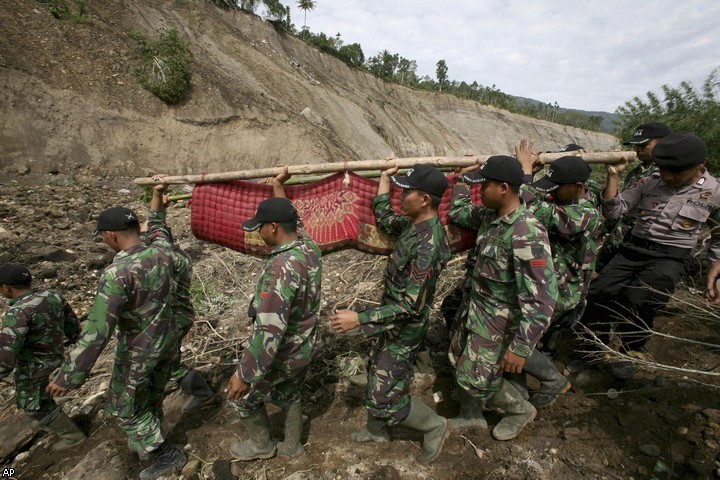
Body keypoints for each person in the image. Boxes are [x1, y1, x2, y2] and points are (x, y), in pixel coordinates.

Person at [46, 181, 186, 480]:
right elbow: (159, 228)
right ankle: (149, 443)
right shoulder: (162, 254)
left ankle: (166, 454)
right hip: (168, 341)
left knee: (123, 408)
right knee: (151, 397)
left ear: (110, 235)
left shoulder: (117, 273)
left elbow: (98, 331)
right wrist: (157, 201)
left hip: (139, 350)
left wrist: (69, 376)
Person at [329, 164, 452, 464]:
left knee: (386, 396)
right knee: (376, 372)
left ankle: (436, 426)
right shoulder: (413, 225)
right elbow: (384, 216)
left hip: (404, 327)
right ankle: (377, 431)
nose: (402, 195)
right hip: (390, 321)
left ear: (424, 199)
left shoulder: (430, 244)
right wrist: (385, 178)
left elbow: (412, 305)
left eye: (407, 191)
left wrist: (359, 318)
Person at [581, 132, 720, 378]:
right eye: (663, 169)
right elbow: (614, 212)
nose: (667, 176)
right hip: (633, 248)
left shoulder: (714, 192)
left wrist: (716, 266)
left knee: (640, 299)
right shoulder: (650, 182)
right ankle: (594, 345)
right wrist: (613, 176)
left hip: (671, 255)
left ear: (700, 166)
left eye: (674, 172)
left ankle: (632, 350)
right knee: (600, 292)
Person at [448, 155, 557, 440]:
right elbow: (458, 213)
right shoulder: (489, 216)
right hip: (475, 310)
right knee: (459, 359)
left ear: (504, 188)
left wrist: (520, 348)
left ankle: (520, 410)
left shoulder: (526, 232)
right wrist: (460, 180)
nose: (480, 191)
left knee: (476, 378)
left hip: (499, 322)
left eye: (484, 185)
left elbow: (541, 299)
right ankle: (470, 415)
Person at [225, 169, 322, 461]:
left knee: (241, 398)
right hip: (304, 344)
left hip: (284, 349)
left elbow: (269, 331)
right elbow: (296, 221)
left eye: (260, 226)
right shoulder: (308, 246)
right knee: (289, 390)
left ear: (274, 228)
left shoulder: (279, 269)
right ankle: (292, 447)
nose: (258, 232)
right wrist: (278, 188)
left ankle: (261, 446)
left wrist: (245, 374)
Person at [514, 140, 601, 407]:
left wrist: (525, 174)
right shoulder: (566, 198)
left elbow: (532, 206)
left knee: (520, 339)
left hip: (561, 290)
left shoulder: (585, 213)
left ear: (578, 187)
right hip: (545, 283)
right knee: (521, 335)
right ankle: (518, 391)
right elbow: (540, 197)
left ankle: (553, 380)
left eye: (557, 188)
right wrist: (536, 174)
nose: (551, 193)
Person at [0, 264, 85, 451]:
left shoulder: (18, 311)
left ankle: (71, 435)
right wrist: (77, 342)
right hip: (54, 357)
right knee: (38, 397)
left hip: (33, 365)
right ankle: (46, 420)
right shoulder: (52, 295)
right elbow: (72, 323)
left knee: (35, 404)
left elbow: (7, 351)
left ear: (7, 288)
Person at [140, 203, 215, 413]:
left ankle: (202, 393)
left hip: (171, 319)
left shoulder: (163, 259)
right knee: (168, 361)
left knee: (166, 364)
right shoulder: (175, 254)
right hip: (179, 315)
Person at [595, 122, 672, 271]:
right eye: (636, 146)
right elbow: (621, 205)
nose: (638, 150)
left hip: (643, 242)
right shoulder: (637, 172)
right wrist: (604, 228)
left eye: (644, 145)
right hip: (620, 236)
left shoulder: (668, 175)